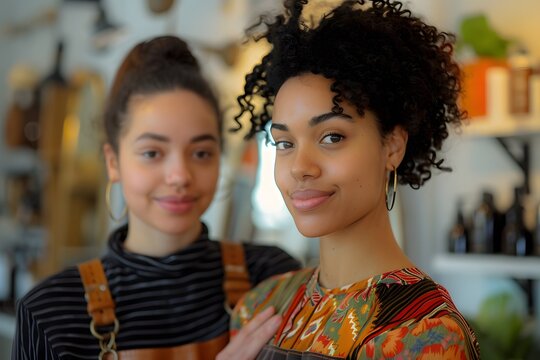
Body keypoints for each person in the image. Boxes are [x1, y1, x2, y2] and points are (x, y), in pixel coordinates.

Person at [11, 35, 301, 359]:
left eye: (201, 153)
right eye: (152, 152)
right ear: (113, 162)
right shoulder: (51, 312)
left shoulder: (271, 277)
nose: (179, 176)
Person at [230, 0, 481, 359]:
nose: (300, 166)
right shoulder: (259, 307)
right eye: (284, 143)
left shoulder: (424, 333)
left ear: (392, 146)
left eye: (331, 137)